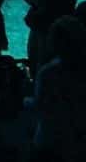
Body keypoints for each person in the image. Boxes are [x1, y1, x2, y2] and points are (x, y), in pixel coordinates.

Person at [32, 16, 86, 162]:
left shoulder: (48, 72)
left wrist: (23, 101)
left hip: (48, 141)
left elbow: (40, 105)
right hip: (78, 143)